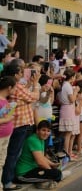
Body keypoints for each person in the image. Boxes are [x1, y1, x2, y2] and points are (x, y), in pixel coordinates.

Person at [2, 63, 39, 191]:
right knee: (13, 154)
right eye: (20, 71)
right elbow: (34, 96)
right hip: (19, 124)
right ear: (15, 74)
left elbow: (25, 95)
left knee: (11, 153)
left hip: (14, 123)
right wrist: (36, 84)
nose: (22, 73)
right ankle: (7, 181)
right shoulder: (16, 86)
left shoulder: (12, 85)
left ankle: (8, 178)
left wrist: (30, 85)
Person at [15, 120, 62, 189]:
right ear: (37, 130)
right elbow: (40, 162)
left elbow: (42, 157)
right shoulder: (33, 140)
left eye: (48, 131)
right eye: (43, 130)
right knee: (56, 174)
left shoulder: (41, 139)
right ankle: (44, 183)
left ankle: (46, 181)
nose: (46, 133)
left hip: (33, 169)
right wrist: (51, 171)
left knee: (56, 170)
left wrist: (52, 164)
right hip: (23, 174)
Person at [0, 76, 15, 184]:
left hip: (6, 135)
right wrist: (7, 119)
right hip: (1, 136)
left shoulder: (5, 100)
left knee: (1, 162)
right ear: (9, 88)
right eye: (14, 88)